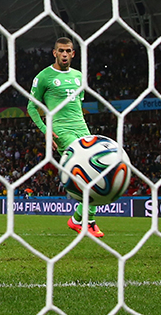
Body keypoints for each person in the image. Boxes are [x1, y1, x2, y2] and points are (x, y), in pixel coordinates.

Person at [27, 37, 104, 238]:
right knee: (89, 171)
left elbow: (77, 105)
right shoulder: (44, 77)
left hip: (83, 129)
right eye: (60, 50)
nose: (64, 54)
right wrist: (46, 130)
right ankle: (87, 221)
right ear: (54, 53)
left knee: (99, 172)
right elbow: (31, 107)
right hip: (62, 132)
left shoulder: (79, 76)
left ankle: (79, 219)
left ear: (73, 54)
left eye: (67, 51)